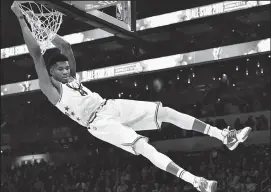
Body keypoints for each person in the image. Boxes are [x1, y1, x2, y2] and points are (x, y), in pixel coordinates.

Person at [11, 2, 252, 192]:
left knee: (165, 111)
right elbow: (35, 55)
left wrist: (43, 28)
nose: (66, 71)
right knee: (144, 147)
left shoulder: (71, 78)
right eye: (60, 69)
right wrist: (22, 18)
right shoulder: (51, 89)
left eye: (66, 68)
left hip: (110, 106)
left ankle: (224, 135)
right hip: (98, 123)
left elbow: (66, 47)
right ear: (51, 72)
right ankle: (195, 181)